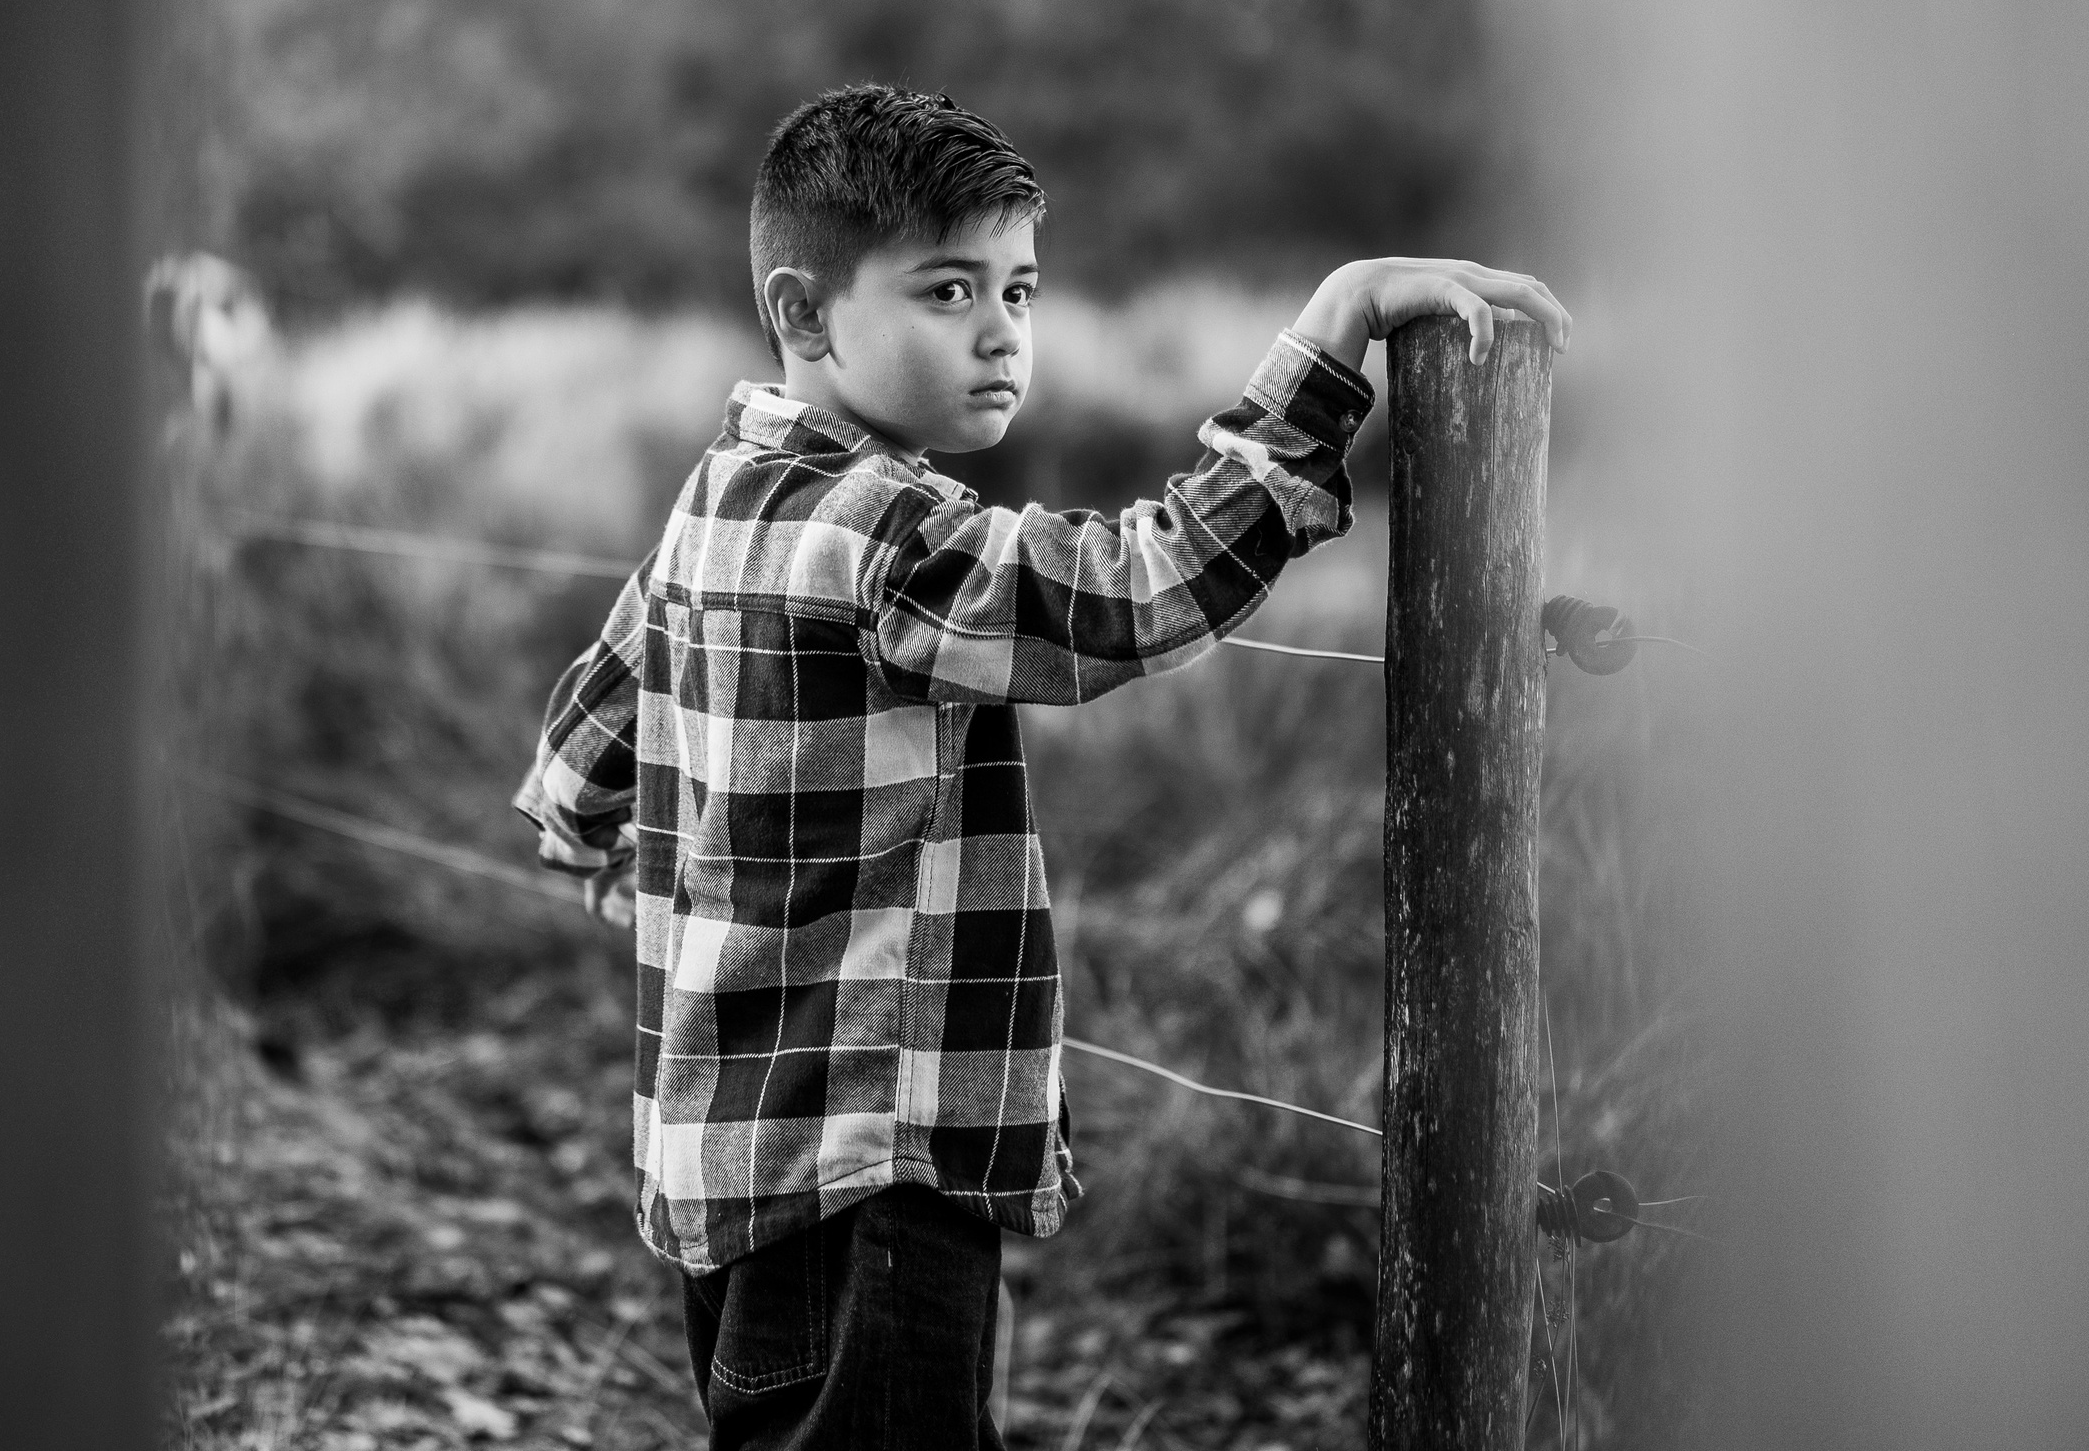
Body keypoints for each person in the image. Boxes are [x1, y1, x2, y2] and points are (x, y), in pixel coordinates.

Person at [512, 84, 1568, 1448]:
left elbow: (581, 767)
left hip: (724, 1169)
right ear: (805, 313)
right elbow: (1132, 593)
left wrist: (675, 903)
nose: (1003, 332)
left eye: (1019, 287)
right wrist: (1333, 334)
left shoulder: (719, 496)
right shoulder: (885, 530)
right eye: (946, 292)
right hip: (867, 1175)